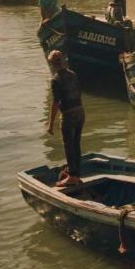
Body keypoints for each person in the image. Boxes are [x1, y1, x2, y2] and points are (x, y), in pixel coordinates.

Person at [47, 50, 85, 187]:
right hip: (80, 112)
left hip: (69, 114)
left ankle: (72, 177)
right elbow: (79, 92)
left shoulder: (55, 79)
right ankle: (76, 174)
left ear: (51, 64)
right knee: (76, 144)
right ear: (63, 60)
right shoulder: (73, 74)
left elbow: (56, 102)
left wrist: (50, 124)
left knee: (69, 146)